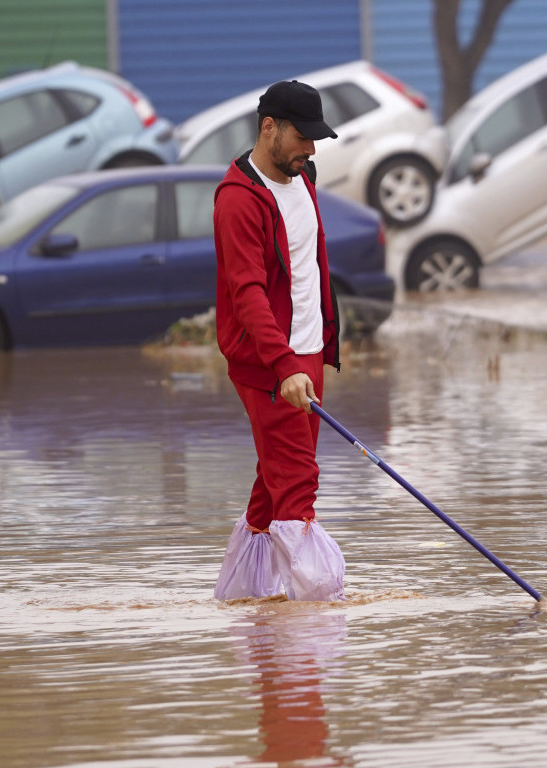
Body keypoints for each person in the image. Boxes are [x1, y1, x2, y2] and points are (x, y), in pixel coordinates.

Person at [211, 80, 345, 602]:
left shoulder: (303, 176)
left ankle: (249, 603)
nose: (310, 150)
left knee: (273, 483)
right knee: (297, 483)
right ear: (269, 128)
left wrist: (318, 349)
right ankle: (309, 636)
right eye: (302, 137)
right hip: (271, 364)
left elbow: (308, 268)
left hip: (307, 353)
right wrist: (284, 365)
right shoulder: (238, 202)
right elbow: (246, 294)